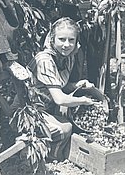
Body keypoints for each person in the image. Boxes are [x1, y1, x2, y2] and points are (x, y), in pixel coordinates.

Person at [27, 17, 95, 161]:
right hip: (31, 110)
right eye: (62, 39)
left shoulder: (68, 57)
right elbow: (59, 98)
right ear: (52, 39)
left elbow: (60, 86)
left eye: (71, 40)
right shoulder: (44, 60)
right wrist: (83, 100)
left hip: (48, 108)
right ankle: (49, 158)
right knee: (65, 129)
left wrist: (78, 84)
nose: (66, 44)